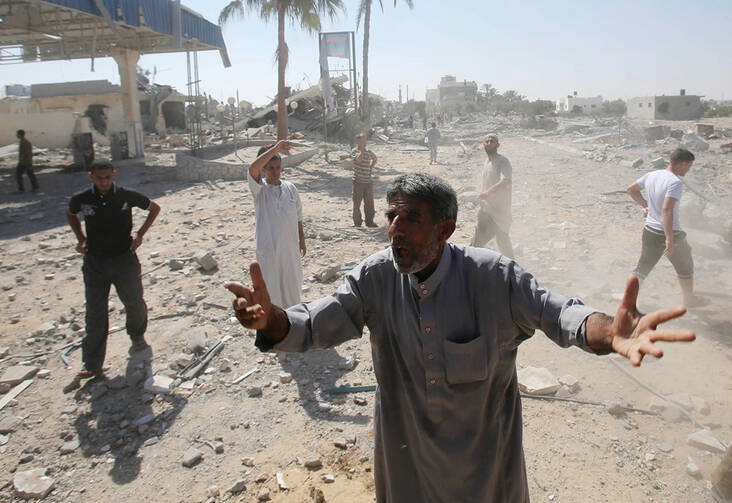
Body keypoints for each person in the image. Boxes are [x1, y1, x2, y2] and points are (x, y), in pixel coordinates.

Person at [226, 173, 694, 503]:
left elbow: (561, 315)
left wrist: (610, 332)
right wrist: (270, 320)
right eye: (391, 216)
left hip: (484, 465)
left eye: (409, 219)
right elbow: (313, 324)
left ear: (445, 229)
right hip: (405, 456)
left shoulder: (494, 277)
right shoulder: (374, 278)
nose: (393, 229)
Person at [66, 160, 160, 378]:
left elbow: (154, 208)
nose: (104, 182)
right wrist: (80, 238)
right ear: (91, 177)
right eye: (99, 178)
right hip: (95, 262)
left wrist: (140, 234)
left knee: (134, 302)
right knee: (95, 313)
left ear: (113, 175)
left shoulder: (125, 195)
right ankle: (92, 364)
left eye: (107, 177)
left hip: (124, 258)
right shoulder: (82, 199)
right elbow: (71, 213)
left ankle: (137, 336)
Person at [627, 148, 701, 306]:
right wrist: (669, 238)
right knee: (685, 266)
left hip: (650, 231)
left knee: (642, 268)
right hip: (669, 232)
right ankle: (689, 300)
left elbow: (631, 189)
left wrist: (647, 206)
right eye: (689, 166)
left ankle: (627, 302)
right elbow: (667, 210)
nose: (689, 169)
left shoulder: (652, 175)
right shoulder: (675, 183)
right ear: (682, 164)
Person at [248, 141, 306, 308]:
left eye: (277, 167)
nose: (275, 172)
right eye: (270, 168)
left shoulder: (290, 189)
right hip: (270, 251)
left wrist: (302, 240)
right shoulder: (260, 190)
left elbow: (298, 217)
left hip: (290, 250)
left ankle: (293, 323)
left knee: (292, 289)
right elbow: (252, 169)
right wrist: (275, 148)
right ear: (264, 169)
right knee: (272, 293)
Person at [471, 133, 514, 258]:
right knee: (478, 239)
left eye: (492, 141)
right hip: (486, 207)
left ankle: (512, 271)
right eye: (487, 141)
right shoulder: (487, 161)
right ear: (483, 144)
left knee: (502, 241)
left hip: (499, 209)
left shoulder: (502, 161)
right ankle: (470, 265)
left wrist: (486, 194)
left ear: (498, 145)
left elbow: (506, 180)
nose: (489, 143)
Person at [351, 133, 378, 228]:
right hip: (358, 182)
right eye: (362, 140)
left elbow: (375, 158)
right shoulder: (354, 151)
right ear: (357, 141)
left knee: (369, 203)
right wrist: (362, 150)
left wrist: (371, 167)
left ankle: (370, 222)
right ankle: (357, 223)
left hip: (368, 181)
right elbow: (359, 160)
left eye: (365, 140)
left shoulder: (369, 151)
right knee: (357, 203)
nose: (364, 142)